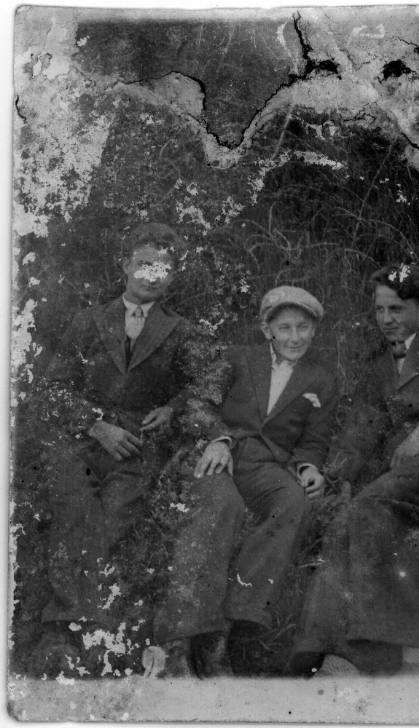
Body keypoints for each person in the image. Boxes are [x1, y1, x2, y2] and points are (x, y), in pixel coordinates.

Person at [32, 222, 237, 676]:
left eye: (164, 267)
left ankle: (90, 634)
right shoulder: (88, 321)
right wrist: (94, 424)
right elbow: (51, 390)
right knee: (72, 504)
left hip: (137, 446)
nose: (153, 274)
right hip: (81, 440)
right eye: (144, 263)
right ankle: (61, 627)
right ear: (126, 265)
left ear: (173, 276)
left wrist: (172, 406)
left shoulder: (179, 331)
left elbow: (208, 379)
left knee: (115, 511)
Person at [291, 263, 419, 676]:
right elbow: (362, 428)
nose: (386, 320)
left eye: (396, 309)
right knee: (346, 520)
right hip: (407, 474)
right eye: (379, 310)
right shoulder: (378, 365)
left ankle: (410, 649)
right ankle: (331, 653)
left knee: (371, 502)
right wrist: (329, 474)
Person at [146, 285, 336, 677]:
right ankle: (179, 642)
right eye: (284, 328)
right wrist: (216, 439)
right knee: (222, 504)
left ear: (314, 331)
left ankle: (227, 627)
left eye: (303, 328)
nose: (294, 337)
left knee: (294, 504)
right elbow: (199, 403)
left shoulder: (321, 379)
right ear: (267, 329)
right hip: (222, 454)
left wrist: (309, 467)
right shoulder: (236, 358)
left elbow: (314, 440)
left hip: (268, 467)